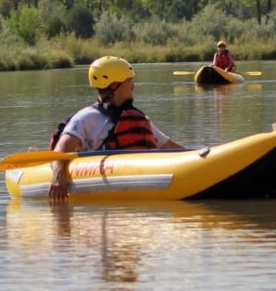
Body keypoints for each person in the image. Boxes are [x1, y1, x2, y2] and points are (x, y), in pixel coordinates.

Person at [48, 56, 184, 202]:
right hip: (100, 174)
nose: (133, 86)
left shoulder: (138, 118)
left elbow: (169, 146)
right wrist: (59, 174)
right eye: (129, 81)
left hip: (143, 171)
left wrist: (201, 155)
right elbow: (62, 147)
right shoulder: (86, 117)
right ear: (114, 85)